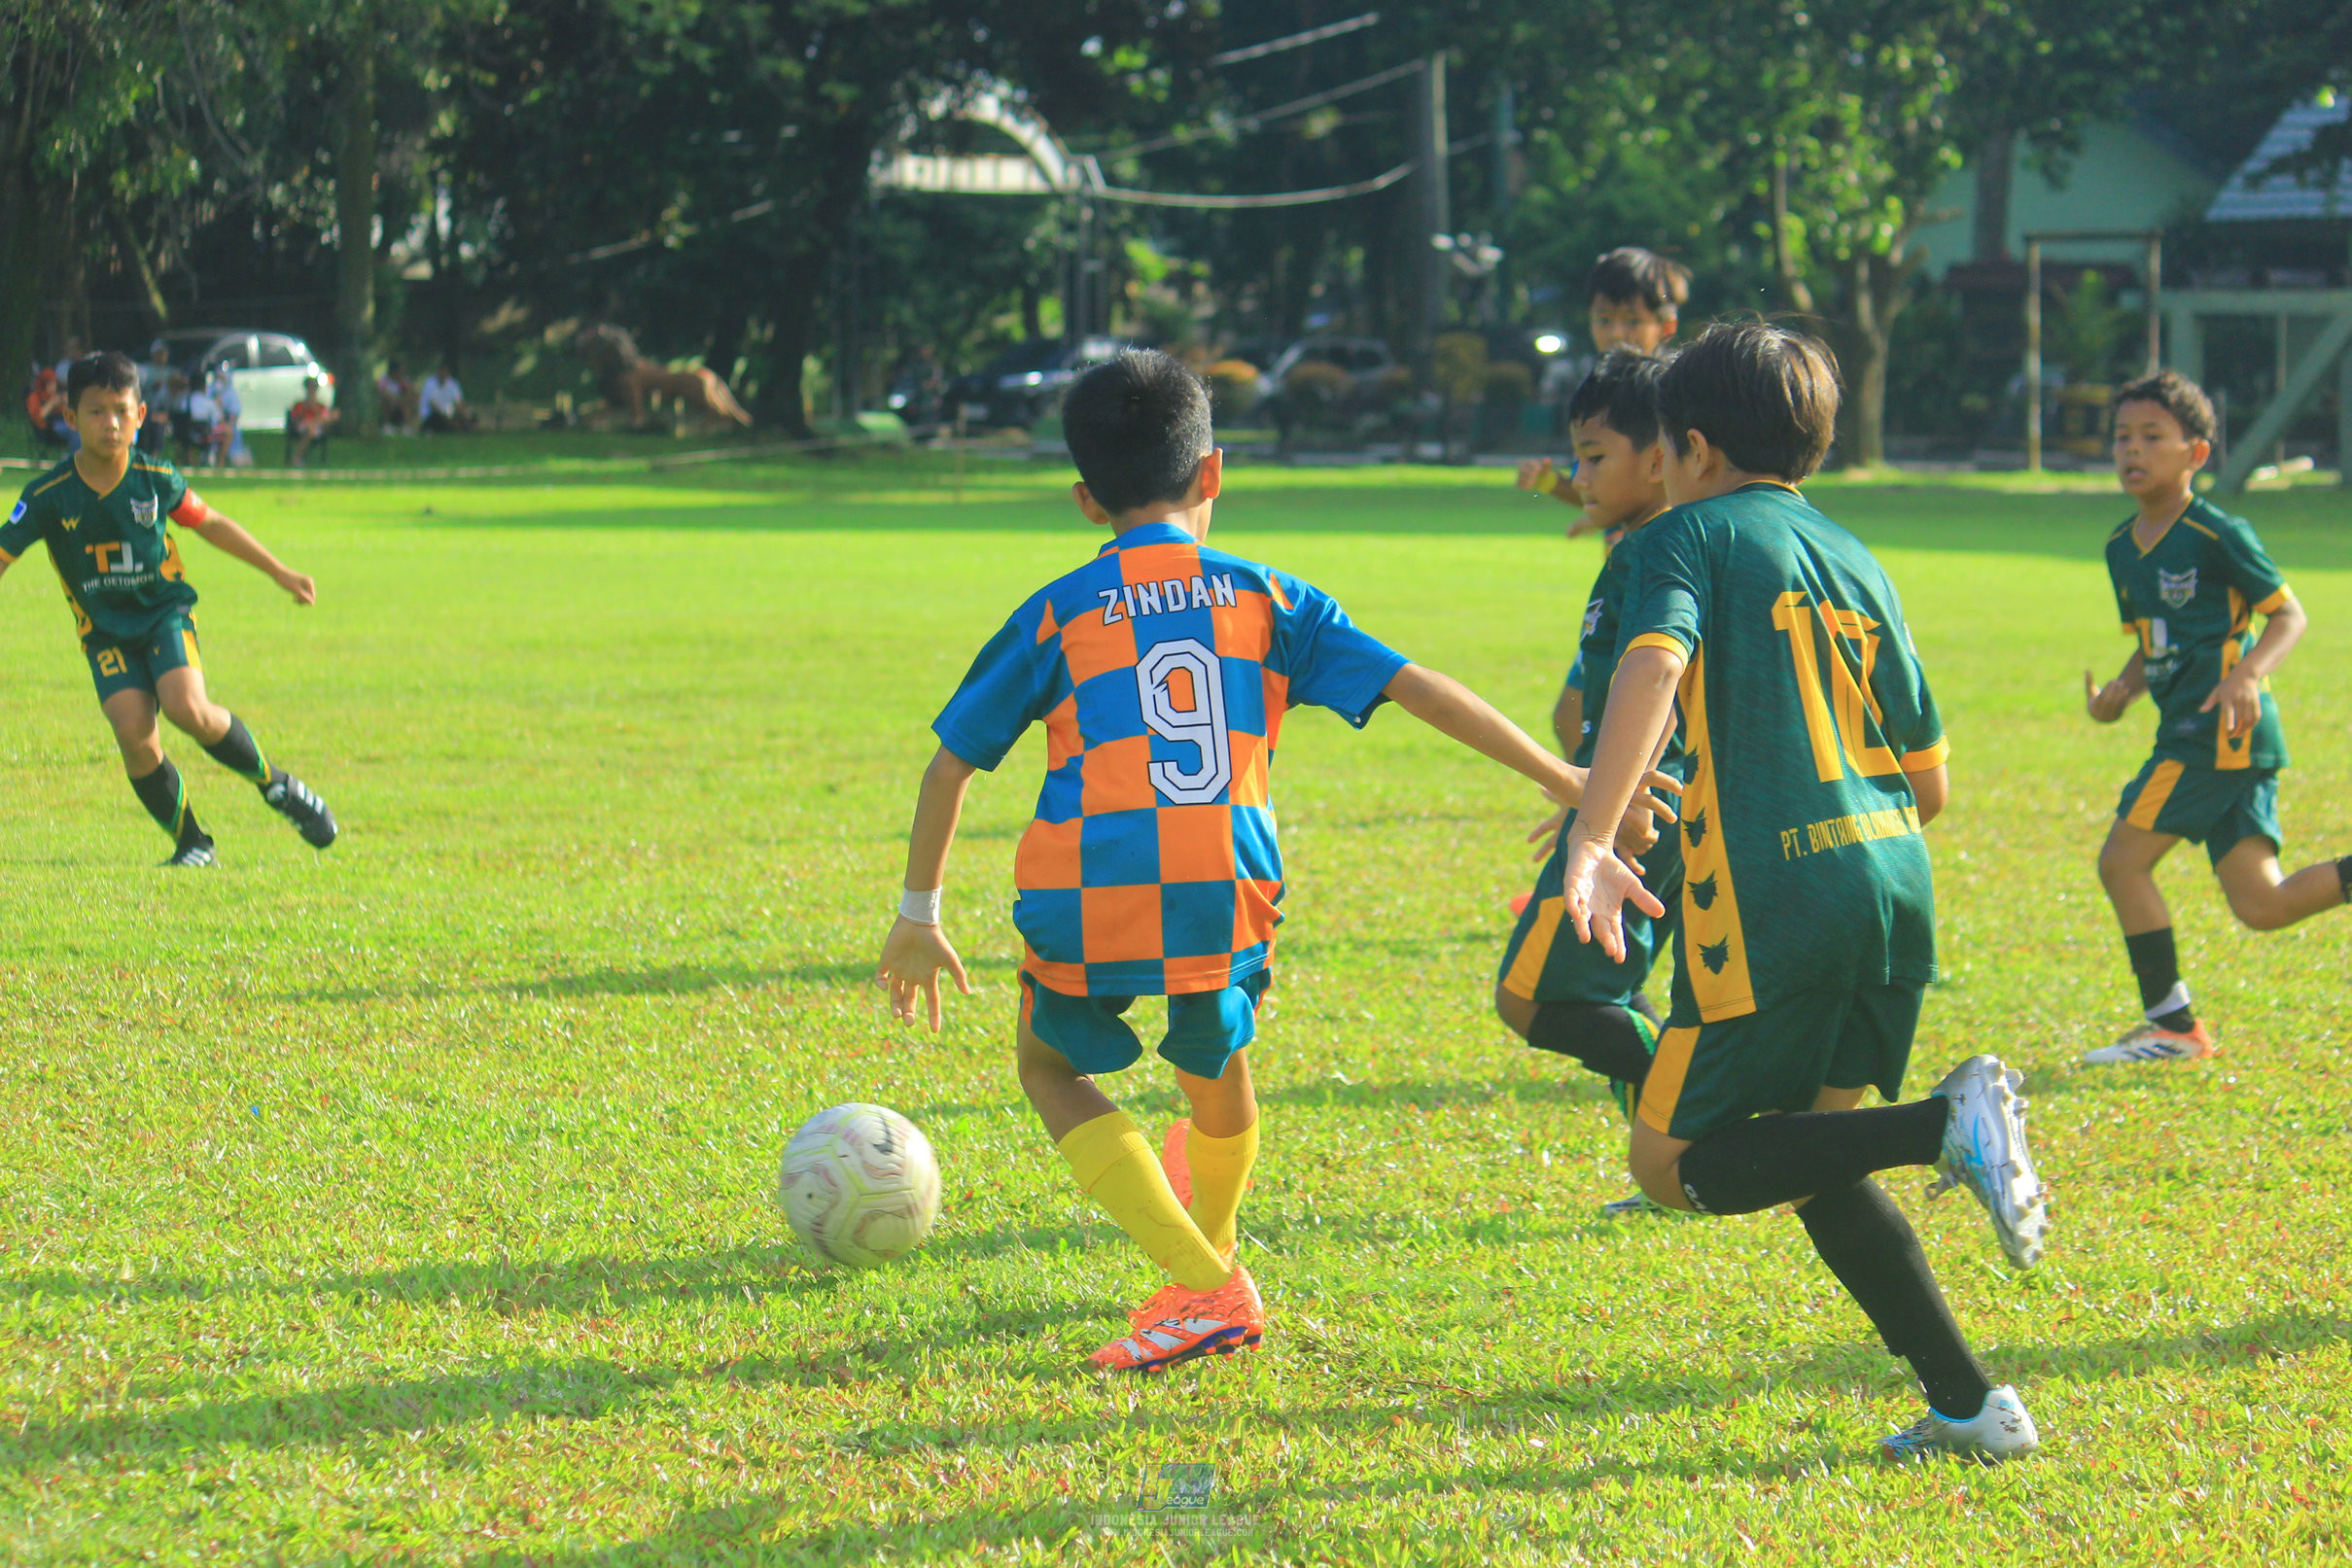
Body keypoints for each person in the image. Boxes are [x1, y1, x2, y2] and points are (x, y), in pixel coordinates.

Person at [872, 349, 1641, 1374]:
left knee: (1048, 1064)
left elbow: (948, 767)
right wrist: (1564, 775)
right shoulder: (1267, 596)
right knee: (1215, 1057)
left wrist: (919, 911)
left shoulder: (1056, 610)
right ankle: (1213, 1259)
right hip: (1226, 882)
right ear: (1212, 474)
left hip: (1084, 885)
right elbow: (1421, 688)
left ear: (1085, 498)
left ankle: (1200, 1277)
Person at [1560, 322, 2050, 1463]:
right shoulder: (1851, 552)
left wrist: (1594, 832)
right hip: (1889, 881)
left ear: (1690, 448)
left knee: (1673, 1165)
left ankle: (1944, 1123)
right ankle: (1973, 1403)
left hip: (1774, 902)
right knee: (1819, 1154)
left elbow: (1651, 663)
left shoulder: (1677, 536)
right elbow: (1928, 775)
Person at [2080, 370, 2348, 1063]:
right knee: (2264, 905)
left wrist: (2246, 673)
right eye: (2120, 438)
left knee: (2120, 863)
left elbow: (2287, 614)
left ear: (2194, 454)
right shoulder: (2120, 546)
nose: (2130, 451)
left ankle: (2172, 1028)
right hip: (2211, 736)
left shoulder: (2214, 531)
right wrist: (2119, 691)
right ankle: (2176, 1029)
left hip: (2213, 734)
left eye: (2150, 437)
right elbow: (2152, 640)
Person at [0, 352, 338, 866]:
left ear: (139, 415)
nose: (109, 423)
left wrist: (279, 571)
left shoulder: (155, 476)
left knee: (187, 709)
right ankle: (192, 841)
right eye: (95, 411)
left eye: (120, 410)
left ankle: (277, 785)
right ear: (69, 419)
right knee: (134, 736)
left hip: (164, 614)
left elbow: (211, 523)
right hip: (106, 634)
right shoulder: (47, 494)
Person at [1495, 351, 1687, 1217]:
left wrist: (1611, 807)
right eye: (1574, 457)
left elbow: (1663, 688)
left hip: (1644, 809)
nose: (1579, 476)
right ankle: (1667, 1157)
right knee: (1600, 985)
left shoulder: (1659, 554)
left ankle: (1698, 1100)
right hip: (1644, 801)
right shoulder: (1650, 541)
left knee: (1536, 997)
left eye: (1595, 457)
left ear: (1661, 456)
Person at [1519, 247, 1692, 756]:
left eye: (1631, 320)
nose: (1616, 331)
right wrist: (1564, 495)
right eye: (1604, 318)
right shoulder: (1607, 391)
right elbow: (1612, 488)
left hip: (1657, 580)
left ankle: (1620, 804)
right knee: (1574, 715)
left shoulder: (1664, 397)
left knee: (1635, 710)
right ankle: (1595, 796)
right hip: (1623, 573)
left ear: (1665, 325)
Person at [287, 377, 338, 468]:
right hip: (303, 426)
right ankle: (297, 458)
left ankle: (296, 457)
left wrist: (314, 407)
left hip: (316, 427)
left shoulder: (320, 406)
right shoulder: (299, 405)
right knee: (310, 429)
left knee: (314, 427)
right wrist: (305, 408)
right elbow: (296, 419)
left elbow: (324, 418)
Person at [137, 343, 174, 455]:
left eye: (163, 354)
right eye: (158, 354)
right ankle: (145, 455)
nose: (161, 357)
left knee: (158, 423)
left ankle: (154, 456)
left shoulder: (171, 372)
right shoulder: (145, 371)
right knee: (152, 423)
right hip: (148, 410)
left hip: (167, 410)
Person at [419, 363, 471, 433]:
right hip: (432, 416)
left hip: (448, 415)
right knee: (437, 418)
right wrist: (445, 416)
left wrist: (461, 414)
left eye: (445, 371)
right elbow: (432, 405)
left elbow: (458, 403)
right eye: (441, 371)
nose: (443, 374)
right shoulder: (430, 384)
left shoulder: (453, 384)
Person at [376, 361, 415, 436]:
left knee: (407, 403)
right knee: (386, 402)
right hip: (388, 403)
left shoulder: (404, 381)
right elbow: (382, 392)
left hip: (400, 403)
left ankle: (405, 427)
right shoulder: (384, 380)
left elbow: (409, 393)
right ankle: (387, 425)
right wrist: (395, 398)